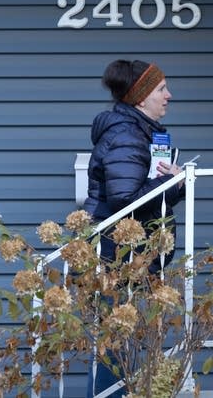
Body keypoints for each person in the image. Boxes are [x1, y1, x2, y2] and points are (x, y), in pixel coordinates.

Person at [83, 59, 185, 397]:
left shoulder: (137, 130)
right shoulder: (127, 134)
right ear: (140, 98)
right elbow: (125, 200)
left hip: (127, 254)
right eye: (161, 89)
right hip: (117, 255)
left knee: (117, 343)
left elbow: (143, 192)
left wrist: (172, 183)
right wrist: (170, 183)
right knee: (114, 344)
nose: (169, 96)